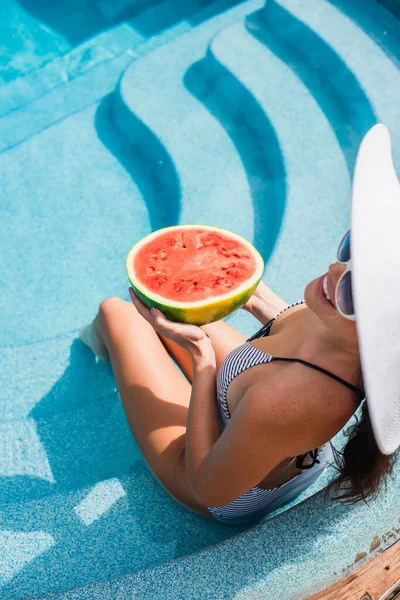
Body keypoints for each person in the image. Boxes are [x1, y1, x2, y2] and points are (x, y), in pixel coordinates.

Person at [80, 124, 400, 526]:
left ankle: (96, 346)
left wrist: (202, 360)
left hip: (223, 484)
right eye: (354, 251)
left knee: (116, 311)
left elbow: (207, 486)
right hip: (268, 438)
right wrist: (240, 288)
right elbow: (285, 324)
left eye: (353, 288)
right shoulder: (334, 324)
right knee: (168, 307)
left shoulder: (284, 402)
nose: (335, 272)